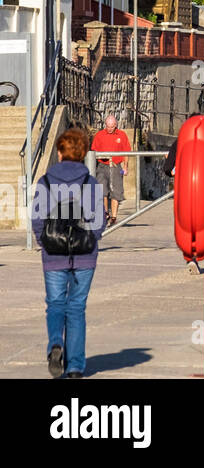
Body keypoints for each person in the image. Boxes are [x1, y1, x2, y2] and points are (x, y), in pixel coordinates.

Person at [33, 128, 104, 379]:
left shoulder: (46, 182)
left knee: (55, 304)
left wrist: (46, 243)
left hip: (53, 255)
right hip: (85, 256)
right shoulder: (91, 183)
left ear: (60, 153)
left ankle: (56, 343)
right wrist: (89, 241)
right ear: (83, 154)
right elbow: (98, 223)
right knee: (76, 308)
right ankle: (75, 367)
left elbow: (38, 220)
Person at [90, 113, 129, 227]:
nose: (110, 128)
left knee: (115, 193)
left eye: (112, 126)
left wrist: (125, 167)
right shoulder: (99, 135)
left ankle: (113, 217)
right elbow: (93, 152)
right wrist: (101, 157)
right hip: (102, 166)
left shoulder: (122, 135)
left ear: (116, 125)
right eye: (108, 126)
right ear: (105, 125)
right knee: (102, 191)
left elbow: (126, 152)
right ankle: (106, 213)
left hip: (115, 166)